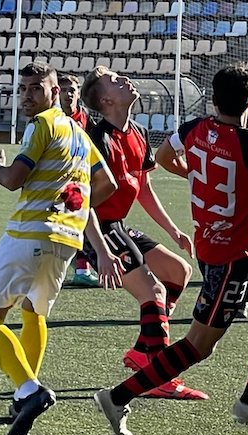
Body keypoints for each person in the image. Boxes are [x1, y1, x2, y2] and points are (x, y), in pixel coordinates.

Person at [93, 63, 248, 435]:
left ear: (213, 100)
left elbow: (163, 157)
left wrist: (197, 174)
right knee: (197, 346)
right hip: (228, 260)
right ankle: (116, 397)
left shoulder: (195, 130)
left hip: (236, 252)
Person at [0, 62, 118, 435]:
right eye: (23, 89)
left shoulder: (42, 125)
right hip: (65, 242)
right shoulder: (80, 135)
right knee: (34, 312)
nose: (27, 95)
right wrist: (73, 206)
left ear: (55, 93)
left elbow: (12, 180)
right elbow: (109, 184)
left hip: (28, 234)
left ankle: (29, 390)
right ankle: (24, 397)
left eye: (36, 88)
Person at [81, 65, 206, 400]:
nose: (125, 79)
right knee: (153, 291)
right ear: (106, 100)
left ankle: (142, 352)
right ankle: (160, 376)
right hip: (94, 229)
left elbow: (144, 189)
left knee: (178, 272)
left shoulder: (136, 131)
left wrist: (174, 230)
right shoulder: (98, 140)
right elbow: (84, 201)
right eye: (114, 80)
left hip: (117, 226)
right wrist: (102, 252)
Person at [58, 73, 98, 287]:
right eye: (64, 90)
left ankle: (82, 267)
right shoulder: (52, 118)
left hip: (80, 181)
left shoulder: (85, 118)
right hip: (55, 181)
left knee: (82, 221)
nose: (68, 94)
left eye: (72, 90)